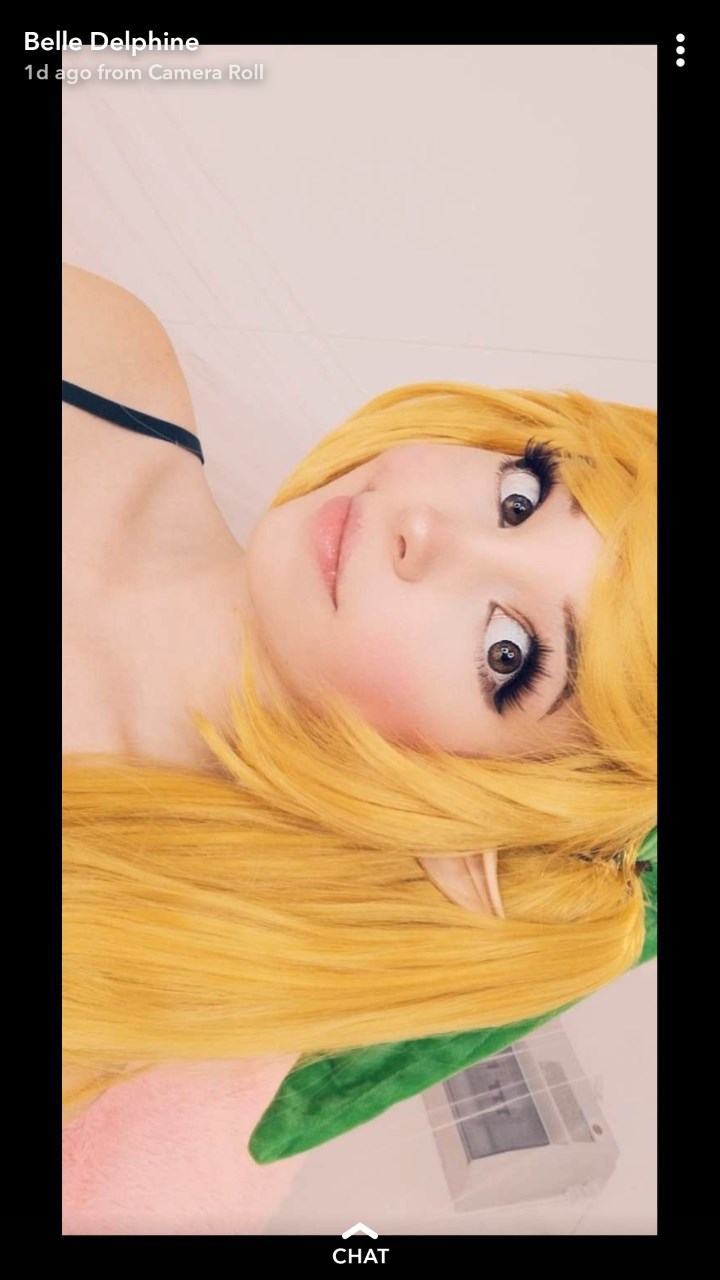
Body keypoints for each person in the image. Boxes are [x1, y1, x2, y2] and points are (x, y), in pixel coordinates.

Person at [62, 263, 656, 1125]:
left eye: (507, 653)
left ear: (462, 819)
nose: (426, 534)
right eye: (521, 496)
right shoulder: (103, 352)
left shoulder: (102, 972)